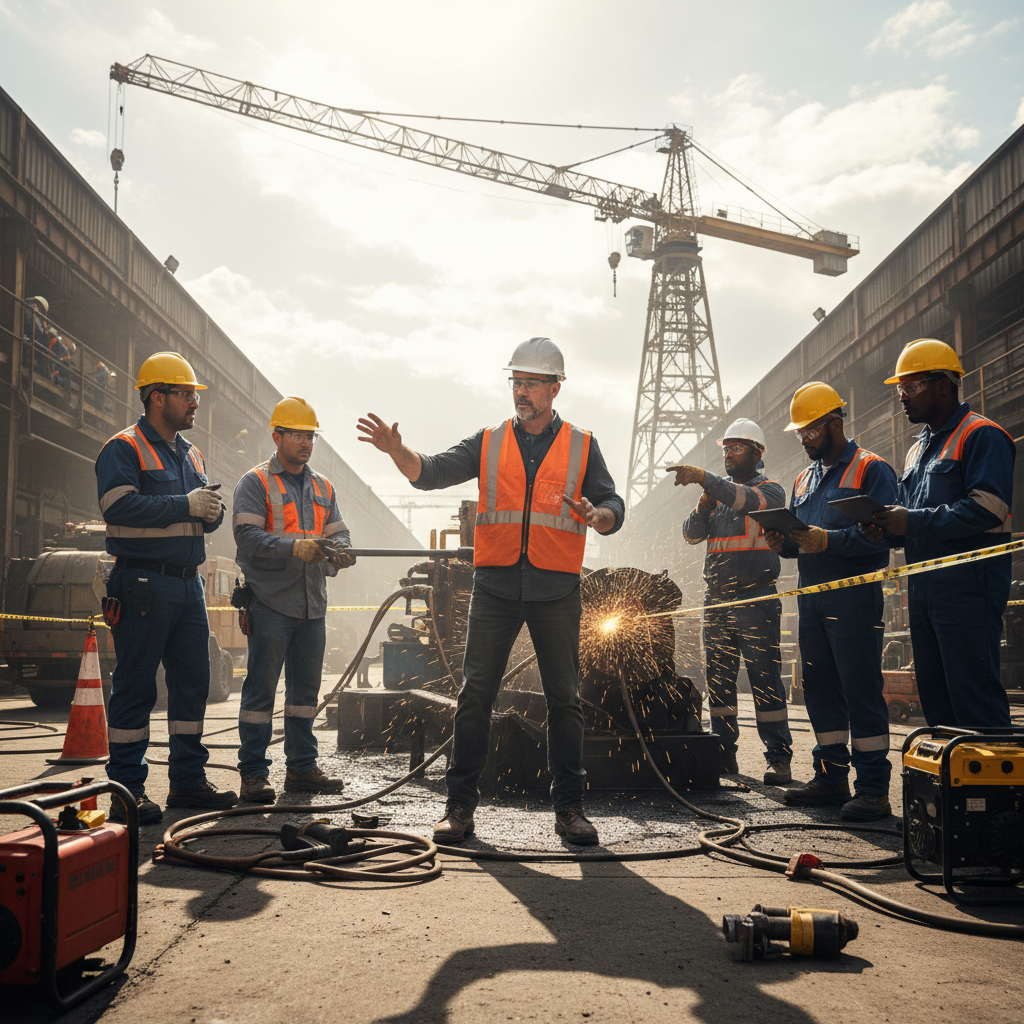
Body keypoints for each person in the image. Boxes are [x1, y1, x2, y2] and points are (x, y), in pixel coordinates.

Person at [357, 338, 624, 846]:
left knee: (564, 700)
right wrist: (397, 452)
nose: (520, 392)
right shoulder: (490, 441)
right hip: (497, 586)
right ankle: (459, 808)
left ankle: (569, 809)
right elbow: (430, 472)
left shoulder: (582, 445)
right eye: (516, 382)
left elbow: (612, 504)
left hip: (557, 588)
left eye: (530, 384)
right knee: (474, 696)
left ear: (554, 388)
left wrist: (599, 515)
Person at [96, 351, 237, 825]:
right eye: (186, 394)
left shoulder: (190, 452)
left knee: (193, 685)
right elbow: (118, 508)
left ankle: (188, 782)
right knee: (137, 685)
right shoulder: (124, 447)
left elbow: (194, 516)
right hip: (142, 582)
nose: (194, 403)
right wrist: (186, 504)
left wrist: (209, 512)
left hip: (187, 584)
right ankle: (126, 790)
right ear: (158, 397)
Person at [864, 339, 1015, 729]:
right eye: (900, 388)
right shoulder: (918, 450)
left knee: (974, 700)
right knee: (936, 703)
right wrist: (886, 529)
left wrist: (910, 522)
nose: (901, 397)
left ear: (944, 386)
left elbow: (988, 508)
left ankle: (992, 790)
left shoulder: (982, 434)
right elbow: (912, 518)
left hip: (968, 588)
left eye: (911, 387)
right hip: (924, 590)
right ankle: (954, 788)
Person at [764, 382, 897, 822]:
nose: (803, 440)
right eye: (799, 433)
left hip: (855, 598)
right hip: (813, 601)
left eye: (809, 432)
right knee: (819, 689)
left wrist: (830, 539)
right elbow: (804, 544)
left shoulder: (870, 469)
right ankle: (830, 777)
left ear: (834, 424)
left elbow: (884, 537)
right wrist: (783, 543)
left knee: (859, 689)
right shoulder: (804, 478)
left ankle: (874, 788)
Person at [232, 397, 356, 803]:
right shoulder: (255, 483)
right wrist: (295, 547)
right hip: (270, 602)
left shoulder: (322, 487)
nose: (305, 443)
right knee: (261, 693)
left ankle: (302, 769)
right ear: (277, 436)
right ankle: (253, 773)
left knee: (305, 694)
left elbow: (340, 533)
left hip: (311, 604)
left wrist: (341, 550)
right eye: (298, 435)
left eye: (310, 436)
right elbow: (247, 537)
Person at [671, 417, 793, 783]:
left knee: (764, 679)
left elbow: (746, 501)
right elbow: (691, 535)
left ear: (757, 454)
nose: (729, 455)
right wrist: (702, 504)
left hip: (756, 598)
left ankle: (778, 757)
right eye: (726, 449)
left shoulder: (770, 491)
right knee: (719, 681)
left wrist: (709, 481)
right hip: (718, 601)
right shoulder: (717, 500)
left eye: (737, 449)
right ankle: (724, 754)